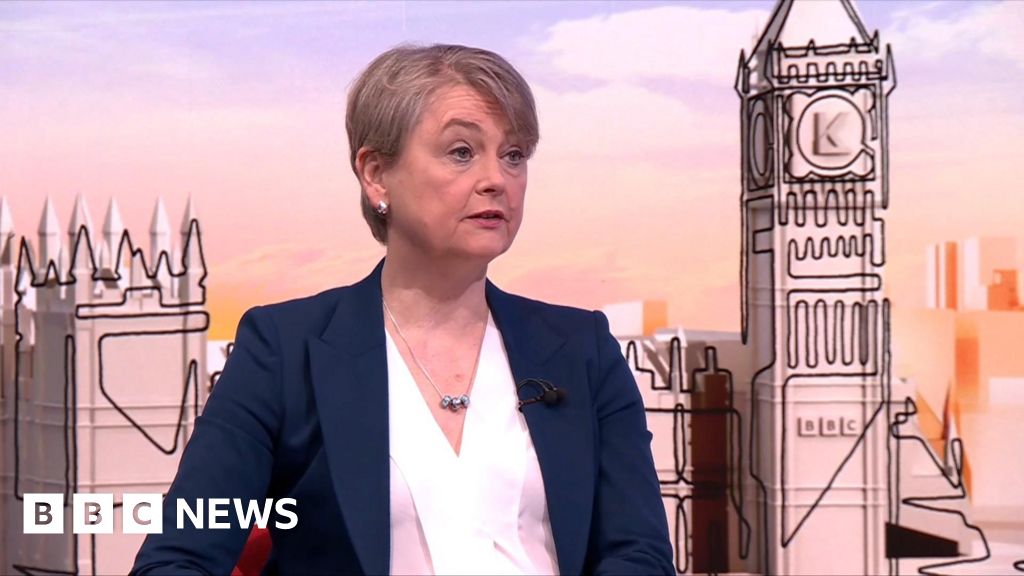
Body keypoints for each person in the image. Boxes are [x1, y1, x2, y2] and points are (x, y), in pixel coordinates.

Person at [132, 43, 673, 575]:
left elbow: (638, 554)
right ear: (375, 175)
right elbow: (177, 559)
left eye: (513, 155)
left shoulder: (581, 350)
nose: (496, 179)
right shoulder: (284, 351)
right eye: (461, 152)